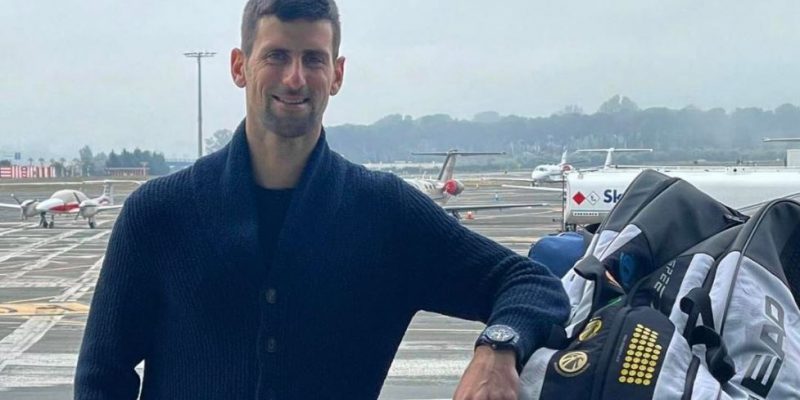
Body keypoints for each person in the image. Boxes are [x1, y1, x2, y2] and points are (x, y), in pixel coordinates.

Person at [74, 0, 569, 399]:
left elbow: (532, 284)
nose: (295, 78)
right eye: (276, 56)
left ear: (337, 74)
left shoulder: (385, 214)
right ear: (239, 66)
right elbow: (102, 376)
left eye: (313, 59)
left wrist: (498, 347)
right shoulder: (159, 214)